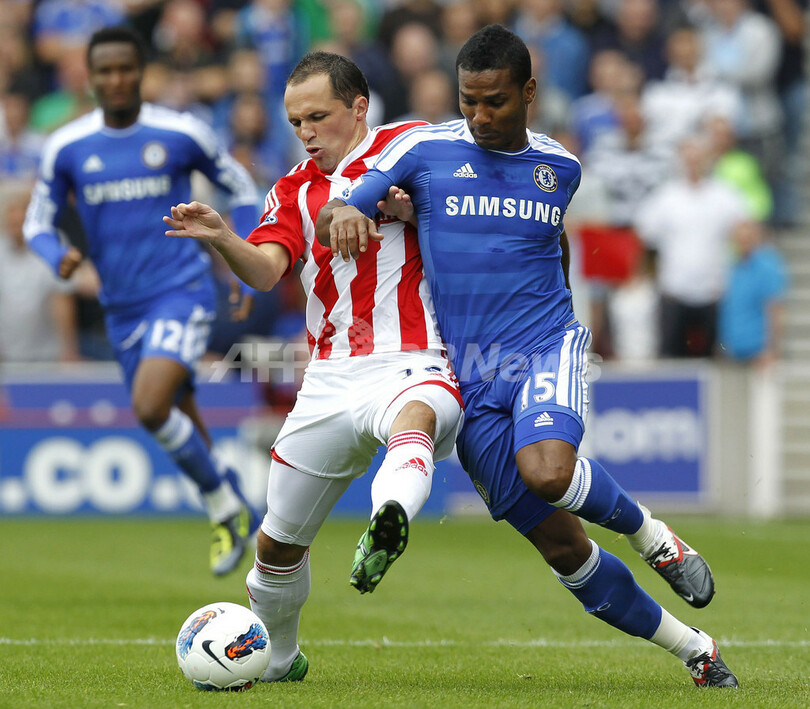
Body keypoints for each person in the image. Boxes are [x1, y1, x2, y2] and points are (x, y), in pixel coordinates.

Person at [318, 24, 738, 688]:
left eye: (496, 102)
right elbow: (339, 206)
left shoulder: (560, 167)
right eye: (469, 101)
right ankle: (696, 650)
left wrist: (562, 321)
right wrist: (342, 212)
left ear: (529, 93)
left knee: (546, 471)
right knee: (564, 548)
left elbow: (552, 246)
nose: (481, 116)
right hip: (467, 375)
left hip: (544, 346)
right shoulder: (422, 149)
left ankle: (655, 538)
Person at [162, 51, 464, 683]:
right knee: (275, 547)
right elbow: (266, 271)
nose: (306, 132)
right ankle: (279, 659)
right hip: (329, 376)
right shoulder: (292, 190)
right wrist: (223, 237)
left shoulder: (413, 149)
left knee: (414, 417)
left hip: (413, 357)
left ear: (359, 108)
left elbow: (472, 201)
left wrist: (413, 210)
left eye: (318, 117)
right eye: (296, 121)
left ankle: (390, 518)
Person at [23, 26, 261, 577]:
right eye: (104, 71)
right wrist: (56, 254)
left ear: (141, 72)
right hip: (121, 307)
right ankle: (233, 502)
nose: (116, 79)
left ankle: (222, 507)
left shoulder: (180, 132)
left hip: (181, 289)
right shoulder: (67, 146)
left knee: (150, 406)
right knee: (177, 410)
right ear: (90, 78)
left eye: (125, 68)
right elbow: (36, 221)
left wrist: (243, 260)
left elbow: (242, 187)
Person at [718, 219, 788, 365]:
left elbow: (775, 309)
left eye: (747, 239)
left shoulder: (767, 267)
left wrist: (772, 349)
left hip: (758, 354)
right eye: (739, 240)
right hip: (732, 351)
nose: (743, 244)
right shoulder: (734, 267)